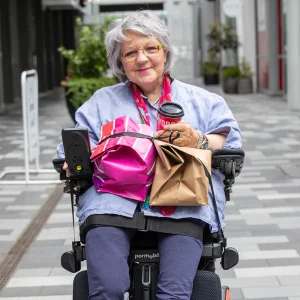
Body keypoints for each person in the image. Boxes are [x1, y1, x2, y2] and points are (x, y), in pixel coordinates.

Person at [57, 10, 242, 300]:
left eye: (150, 48)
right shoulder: (102, 102)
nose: (141, 58)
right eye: (130, 53)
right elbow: (73, 147)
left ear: (165, 52)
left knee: (174, 294)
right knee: (107, 289)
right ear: (120, 62)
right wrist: (75, 158)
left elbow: (230, 142)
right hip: (111, 203)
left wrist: (200, 139)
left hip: (183, 202)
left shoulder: (204, 101)